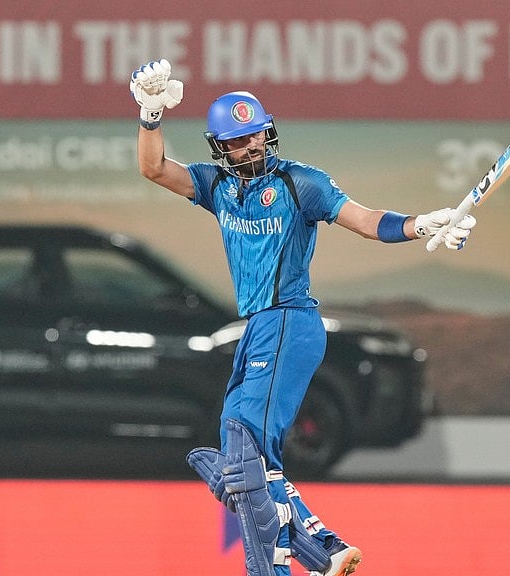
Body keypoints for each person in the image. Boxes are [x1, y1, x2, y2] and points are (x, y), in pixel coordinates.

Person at [130, 59, 477, 576]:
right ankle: (323, 551)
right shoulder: (217, 187)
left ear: (268, 134)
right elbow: (153, 169)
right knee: (236, 456)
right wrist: (151, 115)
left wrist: (421, 225)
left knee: (244, 445)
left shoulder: (299, 183)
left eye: (256, 137)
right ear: (220, 147)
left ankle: (269, 567)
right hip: (258, 327)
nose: (249, 148)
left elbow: (363, 219)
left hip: (290, 321)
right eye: (238, 141)